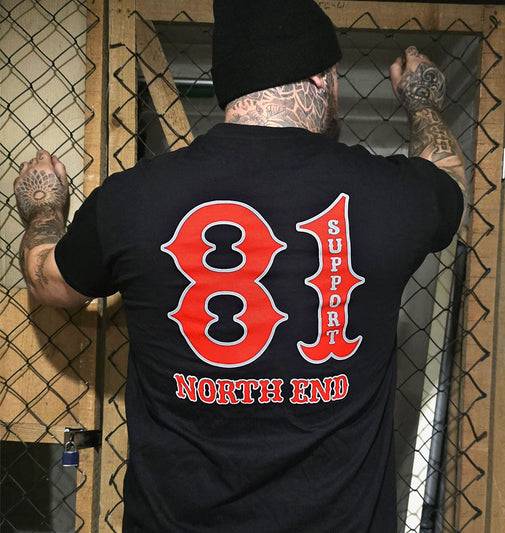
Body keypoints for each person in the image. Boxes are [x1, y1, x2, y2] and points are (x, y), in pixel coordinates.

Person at [14, 0, 465, 531]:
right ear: (320, 77)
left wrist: (43, 209)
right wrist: (422, 102)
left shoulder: (130, 199)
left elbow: (49, 281)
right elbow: (450, 180)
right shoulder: (391, 194)